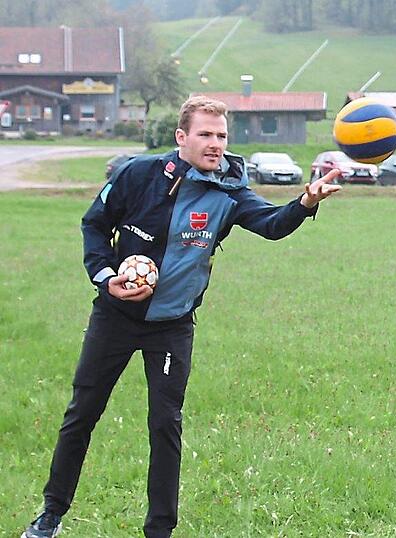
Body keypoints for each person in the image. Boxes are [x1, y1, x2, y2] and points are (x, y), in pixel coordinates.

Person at [22, 95, 342, 538]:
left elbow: (272, 224)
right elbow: (94, 224)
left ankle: (160, 531)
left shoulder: (229, 191)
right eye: (205, 134)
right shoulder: (137, 175)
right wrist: (106, 275)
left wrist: (306, 201)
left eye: (221, 135)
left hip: (172, 327)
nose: (215, 144)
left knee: (165, 424)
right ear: (181, 137)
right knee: (82, 413)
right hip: (115, 317)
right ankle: (51, 515)